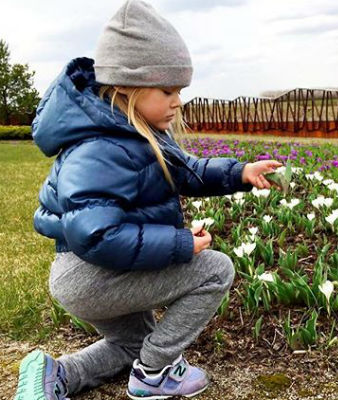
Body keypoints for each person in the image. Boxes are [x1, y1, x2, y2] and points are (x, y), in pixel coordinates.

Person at [14, 1, 282, 399]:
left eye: (180, 91)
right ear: (127, 88)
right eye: (168, 90)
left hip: (95, 271)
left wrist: (239, 173)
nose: (178, 102)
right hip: (91, 273)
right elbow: (98, 235)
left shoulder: (133, 134)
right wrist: (178, 244)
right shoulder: (100, 149)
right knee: (215, 270)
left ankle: (56, 376)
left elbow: (188, 171)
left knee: (131, 344)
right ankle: (154, 374)